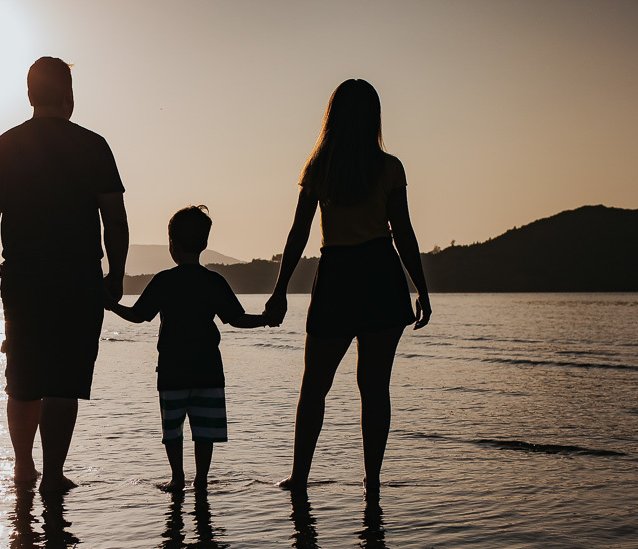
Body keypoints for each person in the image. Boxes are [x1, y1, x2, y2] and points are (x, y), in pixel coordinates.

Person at [264, 79, 432, 501]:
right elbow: (404, 234)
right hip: (380, 275)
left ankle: (299, 478)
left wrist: (280, 289)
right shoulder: (389, 167)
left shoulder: (319, 168)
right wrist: (421, 288)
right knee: (374, 388)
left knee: (314, 386)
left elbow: (298, 233)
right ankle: (371, 481)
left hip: (338, 275)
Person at [0, 56, 129, 493]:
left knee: (22, 378)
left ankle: (24, 468)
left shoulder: (4, 145)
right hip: (78, 277)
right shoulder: (93, 145)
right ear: (68, 94)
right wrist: (116, 274)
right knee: (64, 381)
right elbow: (114, 219)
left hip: (21, 277)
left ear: (29, 95)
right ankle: (53, 473)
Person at [107, 206, 268, 492]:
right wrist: (266, 320)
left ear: (172, 244)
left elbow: (139, 315)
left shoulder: (165, 280)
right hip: (208, 368)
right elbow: (237, 319)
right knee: (204, 430)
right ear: (204, 244)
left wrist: (111, 305)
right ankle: (202, 479)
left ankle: (177, 477)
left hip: (172, 370)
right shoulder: (214, 281)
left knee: (173, 430)